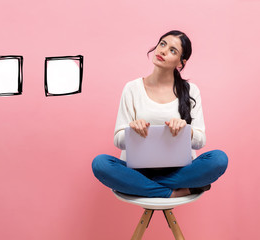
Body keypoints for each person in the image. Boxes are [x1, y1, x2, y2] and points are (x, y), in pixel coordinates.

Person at [92, 30, 228, 198]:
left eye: (173, 50)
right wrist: (131, 130)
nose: (163, 51)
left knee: (219, 159)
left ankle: (141, 187)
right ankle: (171, 193)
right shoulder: (132, 88)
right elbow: (118, 140)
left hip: (179, 171)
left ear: (181, 62)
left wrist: (187, 129)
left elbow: (200, 141)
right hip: (138, 171)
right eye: (162, 44)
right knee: (100, 164)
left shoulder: (191, 91)